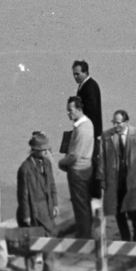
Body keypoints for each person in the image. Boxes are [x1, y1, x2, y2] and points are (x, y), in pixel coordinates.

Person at [99, 108, 136, 242]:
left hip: (132, 182)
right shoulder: (106, 136)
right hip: (115, 182)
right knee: (119, 214)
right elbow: (102, 159)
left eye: (119, 123)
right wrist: (102, 179)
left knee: (134, 213)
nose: (116, 126)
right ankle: (126, 240)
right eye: (114, 123)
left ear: (126, 122)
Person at [17, 131, 61, 271]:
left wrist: (55, 204)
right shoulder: (25, 168)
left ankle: (49, 269)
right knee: (32, 243)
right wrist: (26, 216)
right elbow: (23, 194)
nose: (47, 152)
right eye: (44, 150)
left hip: (47, 209)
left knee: (49, 239)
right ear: (35, 151)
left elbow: (52, 185)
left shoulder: (47, 163)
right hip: (33, 211)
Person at [59, 95, 97, 237]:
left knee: (80, 206)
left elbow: (74, 156)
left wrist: (61, 162)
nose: (68, 113)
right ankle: (87, 231)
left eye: (70, 110)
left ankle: (84, 236)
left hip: (77, 172)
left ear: (79, 109)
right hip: (87, 168)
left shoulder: (80, 130)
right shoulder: (88, 123)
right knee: (85, 203)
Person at [73, 60, 104, 137]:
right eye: (74, 74)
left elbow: (91, 112)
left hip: (90, 132)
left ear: (86, 72)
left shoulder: (90, 87)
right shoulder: (83, 85)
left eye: (77, 74)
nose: (75, 77)